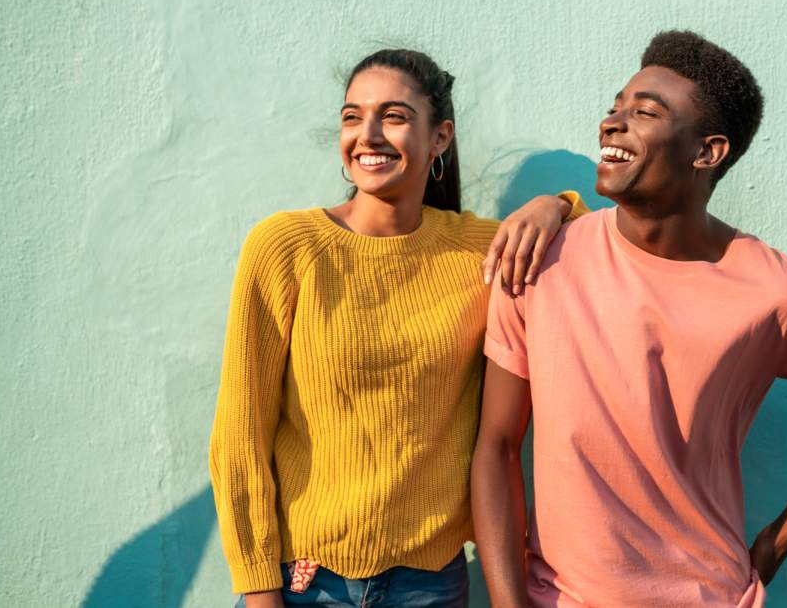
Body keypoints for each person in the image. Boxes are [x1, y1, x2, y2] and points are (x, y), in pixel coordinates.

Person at [471, 31, 787, 607]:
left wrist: (778, 540)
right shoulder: (538, 261)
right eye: (615, 108)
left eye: (645, 112)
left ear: (708, 152)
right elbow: (497, 446)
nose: (613, 124)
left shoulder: (777, 293)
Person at [209, 49, 587, 607]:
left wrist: (556, 205)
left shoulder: (479, 251)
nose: (368, 135)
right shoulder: (286, 248)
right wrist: (260, 592)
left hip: (429, 585)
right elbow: (239, 438)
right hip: (304, 583)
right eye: (352, 116)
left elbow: (599, 250)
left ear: (440, 138)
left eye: (393, 116)